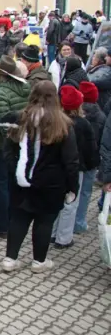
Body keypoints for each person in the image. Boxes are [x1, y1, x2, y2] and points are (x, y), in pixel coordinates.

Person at [0, 81, 79, 273]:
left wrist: (14, 170)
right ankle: (39, 261)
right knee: (44, 221)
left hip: (22, 179)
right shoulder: (63, 123)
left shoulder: (20, 118)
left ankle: (10, 259)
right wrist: (72, 187)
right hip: (51, 183)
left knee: (19, 218)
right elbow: (71, 161)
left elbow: (8, 149)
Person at [0, 56, 31, 238]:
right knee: (10, 183)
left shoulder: (2, 92)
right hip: (18, 142)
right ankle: (8, 216)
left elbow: (2, 121)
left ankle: (1, 224)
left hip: (1, 145)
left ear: (2, 75)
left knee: (0, 184)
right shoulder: (26, 87)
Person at [50, 85, 96, 249]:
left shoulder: (56, 121)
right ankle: (63, 238)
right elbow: (90, 149)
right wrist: (92, 165)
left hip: (57, 167)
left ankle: (52, 233)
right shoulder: (83, 124)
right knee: (71, 202)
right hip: (77, 168)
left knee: (56, 200)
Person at [74, 81, 106, 234]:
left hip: (76, 160)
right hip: (92, 160)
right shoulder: (100, 115)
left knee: (72, 192)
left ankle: (65, 224)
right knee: (86, 193)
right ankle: (79, 222)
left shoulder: (75, 113)